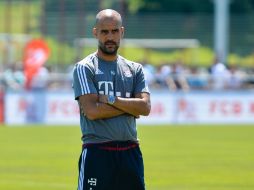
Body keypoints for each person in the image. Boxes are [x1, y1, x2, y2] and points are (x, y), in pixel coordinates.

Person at [72, 9, 151, 190]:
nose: (110, 36)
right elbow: (92, 112)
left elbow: (145, 107)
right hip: (97, 152)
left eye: (114, 31)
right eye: (104, 31)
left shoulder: (134, 69)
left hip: (130, 152)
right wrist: (130, 106)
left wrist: (110, 99)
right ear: (95, 33)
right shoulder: (84, 68)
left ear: (122, 32)